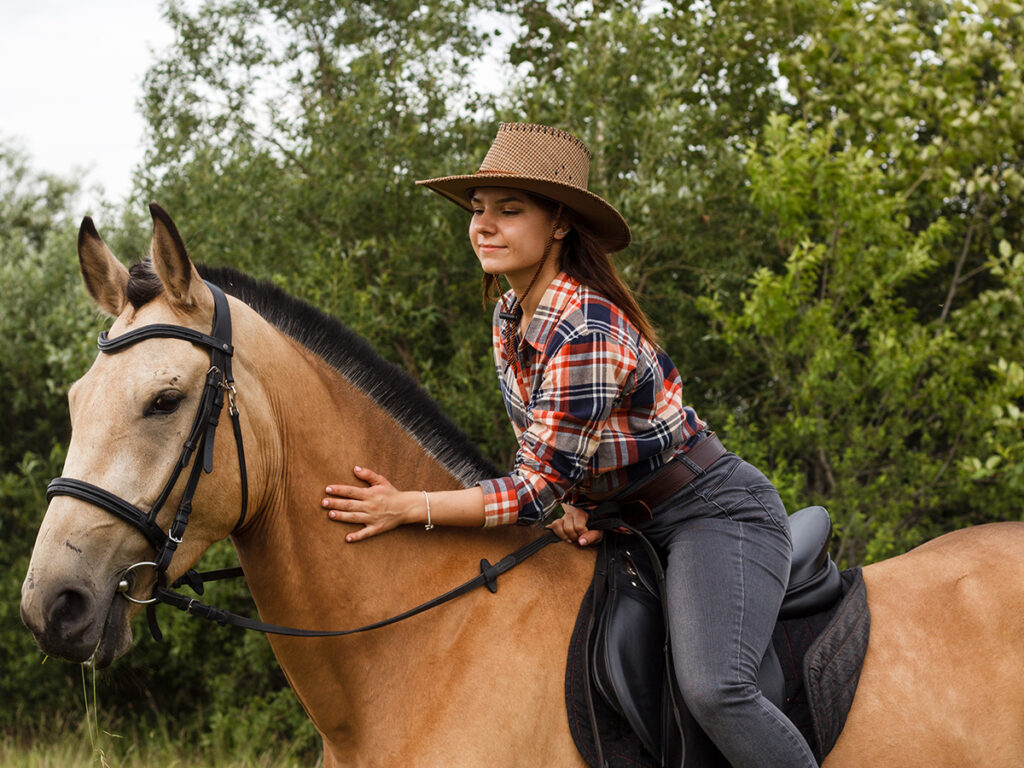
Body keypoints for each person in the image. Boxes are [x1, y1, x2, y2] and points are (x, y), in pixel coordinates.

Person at [321, 122, 817, 767]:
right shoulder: (509, 316)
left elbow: (532, 489)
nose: (484, 226)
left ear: (559, 224)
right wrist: (575, 503)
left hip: (709, 511)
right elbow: (551, 462)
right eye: (477, 211)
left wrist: (409, 506)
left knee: (716, 688)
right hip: (623, 520)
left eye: (509, 209)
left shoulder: (585, 326)